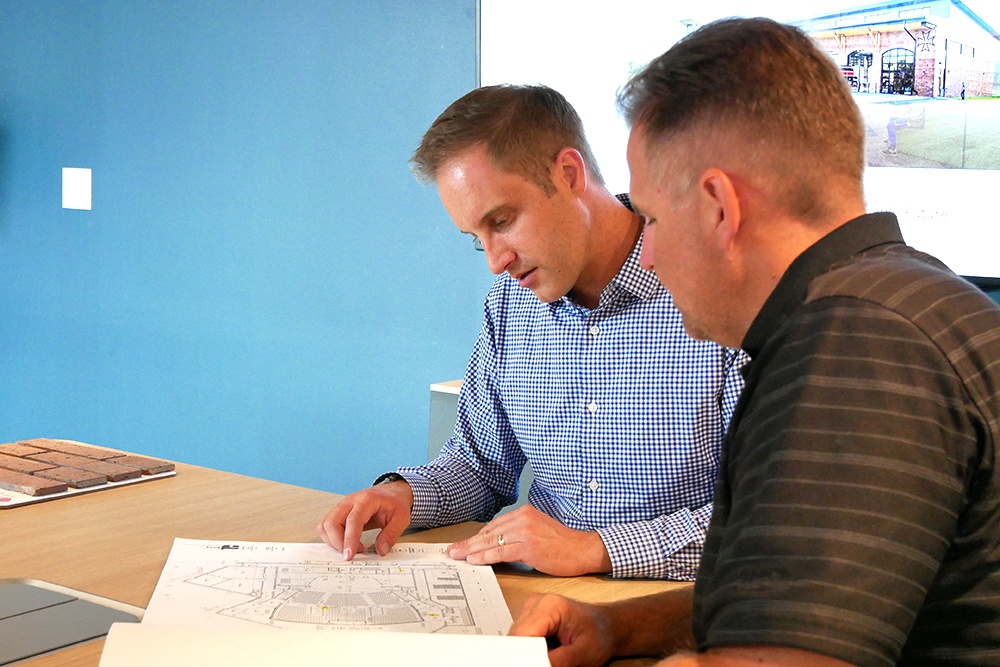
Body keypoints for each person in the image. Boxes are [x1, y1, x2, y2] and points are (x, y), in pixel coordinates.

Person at [510, 17, 1000, 666]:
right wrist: (617, 629)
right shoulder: (897, 300)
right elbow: (787, 593)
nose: (648, 255)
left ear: (719, 207)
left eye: (652, 217)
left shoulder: (854, 351)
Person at [316, 84, 745, 579]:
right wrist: (403, 494)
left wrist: (596, 549)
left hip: (673, 615)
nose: (496, 262)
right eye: (477, 241)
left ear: (568, 174)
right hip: (543, 603)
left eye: (502, 220)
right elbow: (478, 466)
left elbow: (766, 521)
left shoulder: (720, 298)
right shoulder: (512, 300)